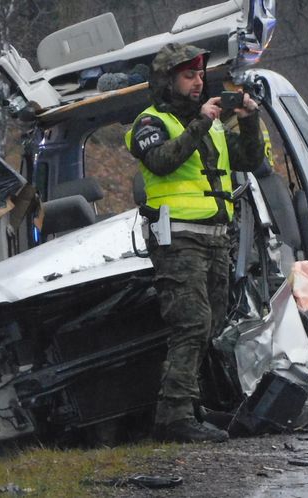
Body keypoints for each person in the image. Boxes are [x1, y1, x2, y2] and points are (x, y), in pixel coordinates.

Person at [125, 43, 264, 443]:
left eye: (201, 75)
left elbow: (250, 160)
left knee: (210, 326)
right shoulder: (149, 123)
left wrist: (249, 120)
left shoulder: (215, 123)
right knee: (191, 323)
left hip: (215, 240)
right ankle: (173, 417)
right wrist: (201, 122)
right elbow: (163, 161)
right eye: (189, 75)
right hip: (178, 240)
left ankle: (192, 406)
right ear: (168, 81)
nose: (198, 82)